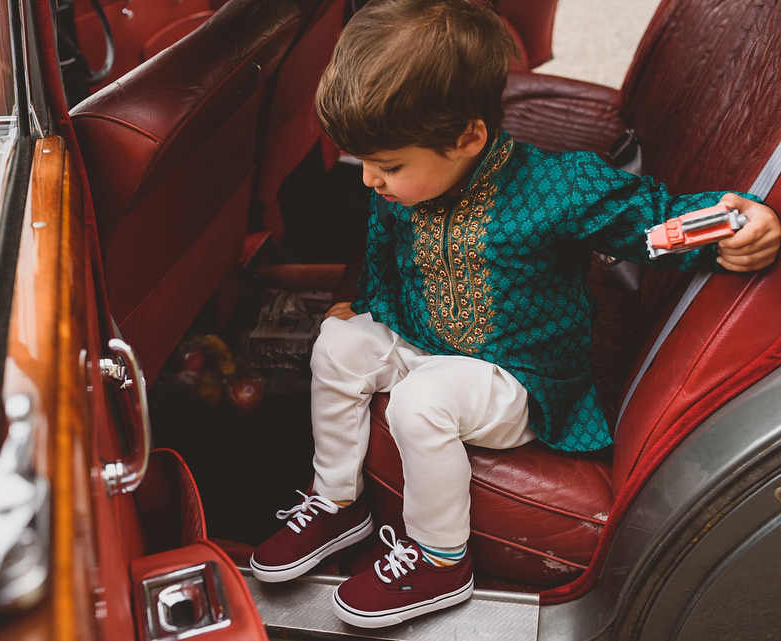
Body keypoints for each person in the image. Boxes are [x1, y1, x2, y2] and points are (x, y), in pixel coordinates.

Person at [249, 0, 781, 629]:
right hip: (426, 340)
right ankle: (337, 499)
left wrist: (734, 222)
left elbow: (651, 226)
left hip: (518, 381)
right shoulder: (408, 183)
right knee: (337, 342)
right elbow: (384, 254)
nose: (370, 181)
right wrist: (364, 308)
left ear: (468, 137)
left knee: (422, 401)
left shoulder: (562, 188)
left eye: (387, 166)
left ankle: (440, 557)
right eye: (365, 162)